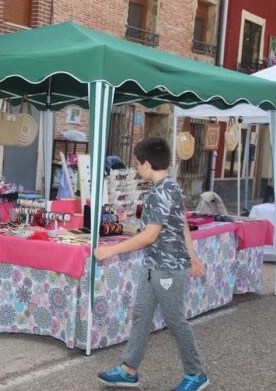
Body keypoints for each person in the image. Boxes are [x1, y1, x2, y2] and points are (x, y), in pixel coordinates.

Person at [94, 137, 209, 390]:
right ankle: (128, 369)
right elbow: (183, 226)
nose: (136, 168)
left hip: (167, 269)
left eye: (137, 163)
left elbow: (149, 236)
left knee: (175, 320)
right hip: (153, 266)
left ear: (147, 164)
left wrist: (110, 251)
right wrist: (192, 256)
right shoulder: (172, 187)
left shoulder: (160, 193)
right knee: (142, 316)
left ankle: (196, 373)